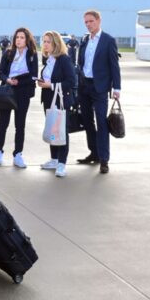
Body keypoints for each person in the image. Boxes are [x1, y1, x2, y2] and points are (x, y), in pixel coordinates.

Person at [76, 10, 121, 174]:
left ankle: (104, 159)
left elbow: (114, 65)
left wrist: (117, 87)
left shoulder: (108, 40)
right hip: (84, 86)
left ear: (99, 21)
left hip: (100, 87)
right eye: (86, 22)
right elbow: (80, 63)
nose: (88, 25)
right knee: (87, 121)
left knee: (102, 123)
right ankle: (93, 152)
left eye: (91, 21)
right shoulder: (85, 40)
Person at [0, 27, 38, 168]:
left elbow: (33, 75)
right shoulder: (8, 53)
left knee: (20, 125)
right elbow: (0, 72)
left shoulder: (32, 54)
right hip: (7, 91)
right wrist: (8, 80)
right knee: (3, 123)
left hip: (23, 92)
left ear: (27, 39)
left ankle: (18, 154)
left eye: (22, 37)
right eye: (17, 37)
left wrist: (19, 82)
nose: (19, 40)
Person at [38, 31, 76, 177]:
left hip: (61, 99)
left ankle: (62, 163)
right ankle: (54, 159)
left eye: (48, 41)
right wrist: (42, 82)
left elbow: (71, 81)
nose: (45, 44)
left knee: (61, 131)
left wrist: (51, 85)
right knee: (52, 130)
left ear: (56, 43)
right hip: (48, 99)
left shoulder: (64, 59)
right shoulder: (48, 59)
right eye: (44, 41)